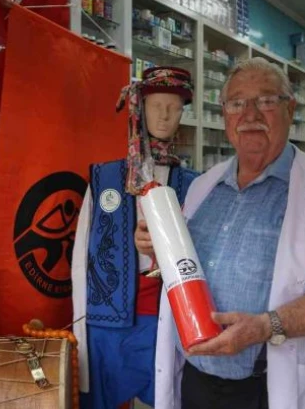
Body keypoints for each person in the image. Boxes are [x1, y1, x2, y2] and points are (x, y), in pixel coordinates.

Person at [135, 57, 305, 409]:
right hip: (194, 376)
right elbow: (186, 268)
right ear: (224, 114)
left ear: (290, 109)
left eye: (265, 100)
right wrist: (156, 247)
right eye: (237, 103)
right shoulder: (203, 186)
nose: (249, 114)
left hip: (268, 387)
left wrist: (267, 326)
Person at [71, 66, 199, 409]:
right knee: (102, 398)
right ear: (140, 109)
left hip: (169, 316)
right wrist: (80, 326)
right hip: (107, 317)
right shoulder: (105, 178)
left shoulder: (195, 183)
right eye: (156, 105)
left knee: (169, 395)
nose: (165, 115)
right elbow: (82, 254)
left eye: (174, 107)